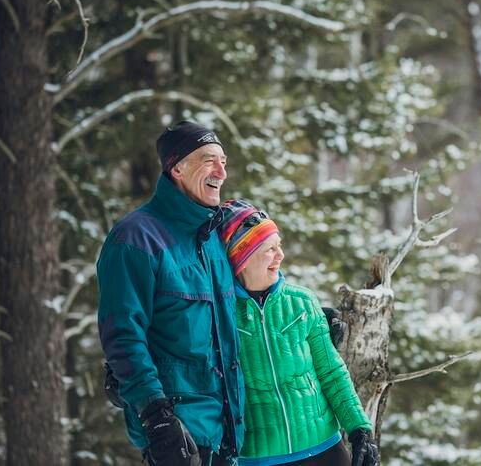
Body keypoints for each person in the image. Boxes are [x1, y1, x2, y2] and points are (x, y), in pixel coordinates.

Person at [97, 121, 244, 466]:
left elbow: (245, 304)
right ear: (177, 167)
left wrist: (311, 320)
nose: (221, 172)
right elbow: (123, 336)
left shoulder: (213, 237)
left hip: (229, 436)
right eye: (209, 160)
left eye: (223, 160)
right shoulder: (135, 239)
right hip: (179, 439)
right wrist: (156, 416)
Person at [218, 199, 380, 466]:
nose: (280, 255)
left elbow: (331, 373)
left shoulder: (302, 302)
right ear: (241, 257)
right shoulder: (220, 314)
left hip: (325, 449)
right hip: (260, 457)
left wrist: (359, 429)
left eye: (278, 246)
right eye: (269, 249)